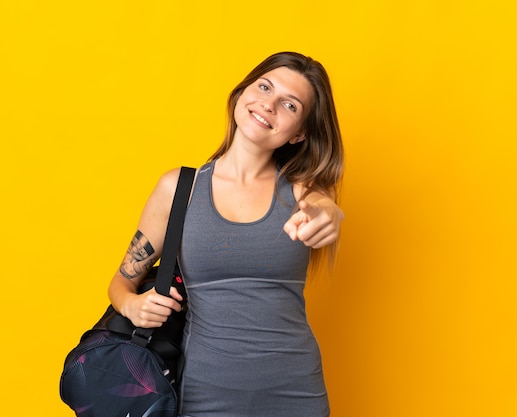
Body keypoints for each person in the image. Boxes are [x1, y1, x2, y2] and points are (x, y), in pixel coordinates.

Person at [108, 51, 344, 417]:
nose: (268, 104)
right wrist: (132, 306)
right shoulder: (178, 189)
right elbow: (121, 283)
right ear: (241, 93)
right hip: (205, 395)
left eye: (290, 104)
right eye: (264, 87)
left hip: (296, 391)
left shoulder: (302, 191)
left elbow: (323, 205)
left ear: (300, 133)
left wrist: (330, 212)